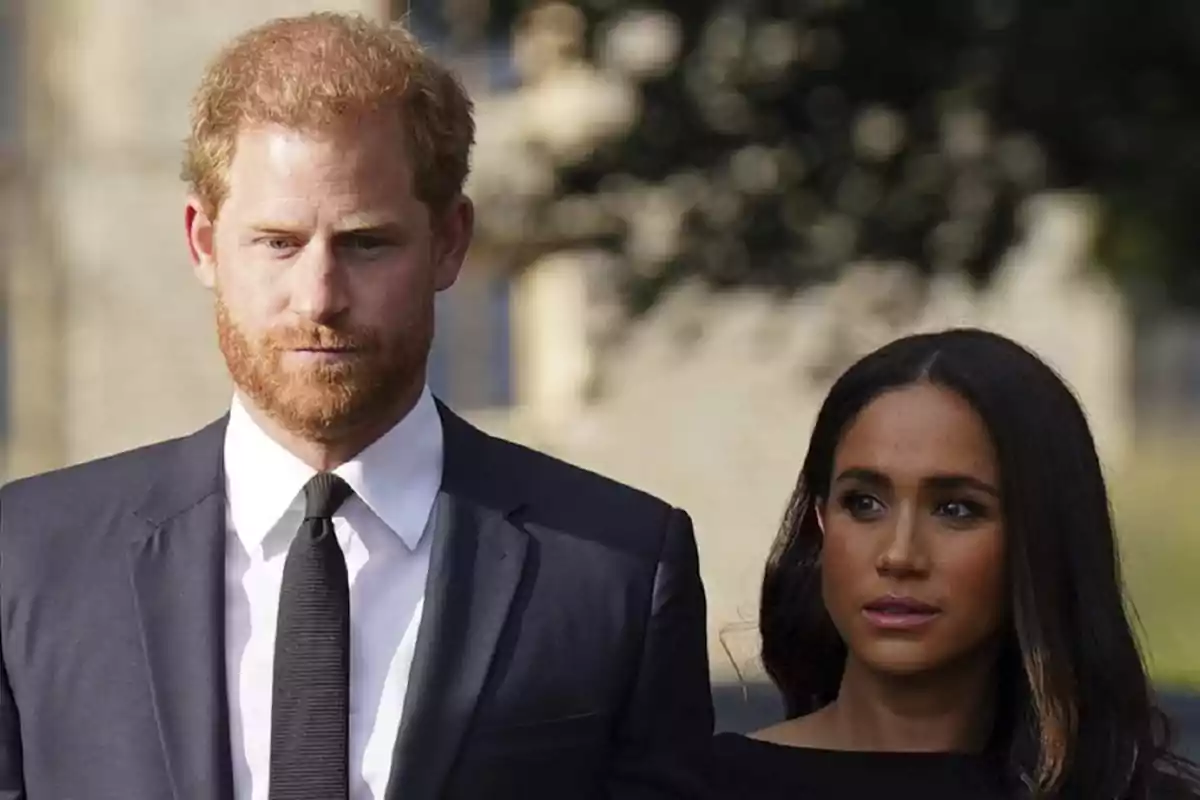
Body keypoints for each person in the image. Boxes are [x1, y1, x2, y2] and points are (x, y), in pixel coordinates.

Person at [0, 13, 712, 800]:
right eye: (277, 242)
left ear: (449, 243)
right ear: (203, 242)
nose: (320, 297)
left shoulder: (618, 569)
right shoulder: (28, 562)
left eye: (367, 243)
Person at [711, 329, 1200, 799]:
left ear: (1041, 536)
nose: (899, 555)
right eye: (863, 503)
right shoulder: (699, 787)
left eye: (955, 509)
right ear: (820, 521)